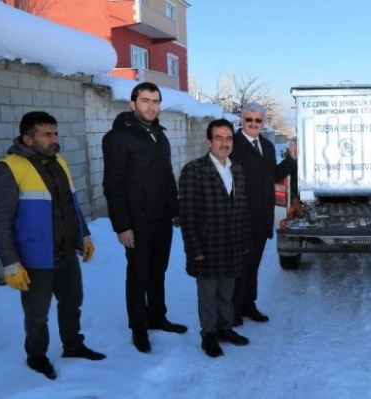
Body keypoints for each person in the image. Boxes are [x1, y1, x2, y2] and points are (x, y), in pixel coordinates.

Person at [0, 111, 106, 380]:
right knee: (37, 314)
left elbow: (71, 206)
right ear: (27, 139)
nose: (55, 139)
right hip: (34, 258)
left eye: (55, 133)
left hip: (65, 254)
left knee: (72, 303)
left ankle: (73, 345)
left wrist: (83, 236)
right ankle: (37, 356)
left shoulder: (58, 162)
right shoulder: (8, 168)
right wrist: (10, 263)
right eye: (47, 135)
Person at [102, 82, 187, 354]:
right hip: (138, 221)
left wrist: (175, 209)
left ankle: (157, 316)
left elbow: (166, 178)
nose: (151, 106)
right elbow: (112, 184)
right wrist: (122, 225)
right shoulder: (118, 137)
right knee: (138, 275)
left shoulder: (159, 135)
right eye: (145, 100)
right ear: (133, 104)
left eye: (156, 101)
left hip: (162, 217)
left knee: (158, 271)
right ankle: (139, 328)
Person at [178, 119, 253, 358]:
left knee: (226, 293)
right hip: (207, 246)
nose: (224, 143)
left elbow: (242, 208)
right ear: (209, 141)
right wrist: (194, 248)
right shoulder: (194, 169)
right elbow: (187, 213)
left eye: (228, 138)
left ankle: (225, 328)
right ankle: (209, 334)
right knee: (208, 294)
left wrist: (245, 241)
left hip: (231, 244)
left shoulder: (237, 170)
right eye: (218, 138)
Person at [229, 102, 297, 326]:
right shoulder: (232, 145)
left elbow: (272, 175)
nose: (253, 124)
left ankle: (249, 304)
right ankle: (234, 308)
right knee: (238, 266)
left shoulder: (266, 146)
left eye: (258, 120)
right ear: (241, 120)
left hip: (261, 217)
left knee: (253, 265)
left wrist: (291, 160)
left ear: (264, 122)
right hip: (239, 218)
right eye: (249, 119)